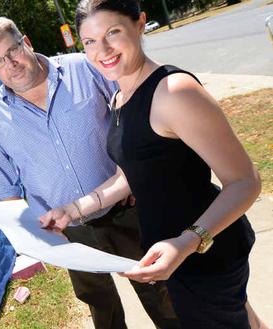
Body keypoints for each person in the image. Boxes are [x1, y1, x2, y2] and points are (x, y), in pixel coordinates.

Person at [39, 1, 263, 327]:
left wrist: (187, 242)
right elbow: (128, 175)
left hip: (206, 251)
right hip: (173, 253)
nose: (102, 50)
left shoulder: (173, 91)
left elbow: (246, 181)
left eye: (113, 32)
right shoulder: (119, 97)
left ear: (140, 23)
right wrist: (73, 210)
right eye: (89, 41)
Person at [0, 17, 179, 329]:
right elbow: (5, 191)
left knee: (159, 291)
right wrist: (31, 236)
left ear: (26, 43)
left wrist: (136, 173)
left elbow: (134, 113)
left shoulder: (82, 69)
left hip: (126, 208)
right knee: (101, 307)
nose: (9, 65)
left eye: (12, 51)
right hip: (70, 234)